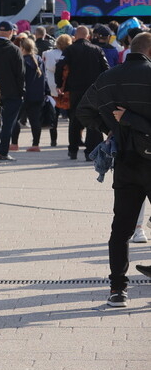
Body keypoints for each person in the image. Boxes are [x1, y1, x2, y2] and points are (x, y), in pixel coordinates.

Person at [77, 32, 151, 307]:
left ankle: (117, 289)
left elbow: (83, 111)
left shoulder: (108, 78)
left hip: (126, 161)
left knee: (120, 229)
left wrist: (110, 128)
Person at [56, 25, 109, 160]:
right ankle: (91, 152)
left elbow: (60, 66)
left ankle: (73, 150)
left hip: (75, 89)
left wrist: (59, 84)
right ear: (88, 36)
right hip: (93, 90)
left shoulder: (69, 50)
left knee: (74, 118)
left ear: (75, 36)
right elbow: (106, 68)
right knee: (93, 118)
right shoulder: (97, 49)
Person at [0, 21, 25, 162]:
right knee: (8, 124)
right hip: (12, 92)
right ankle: (3, 152)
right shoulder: (14, 50)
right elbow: (20, 74)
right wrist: (22, 92)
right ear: (10, 32)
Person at [11, 37, 46, 152]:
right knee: (35, 120)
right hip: (37, 95)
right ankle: (36, 144)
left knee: (15, 119)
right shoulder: (39, 59)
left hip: (23, 95)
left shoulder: (21, 60)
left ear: (22, 48)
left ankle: (14, 143)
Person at [43, 33, 73, 147]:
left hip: (52, 87)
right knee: (71, 117)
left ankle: (53, 140)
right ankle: (73, 140)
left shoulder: (47, 54)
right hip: (67, 89)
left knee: (53, 116)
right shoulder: (71, 55)